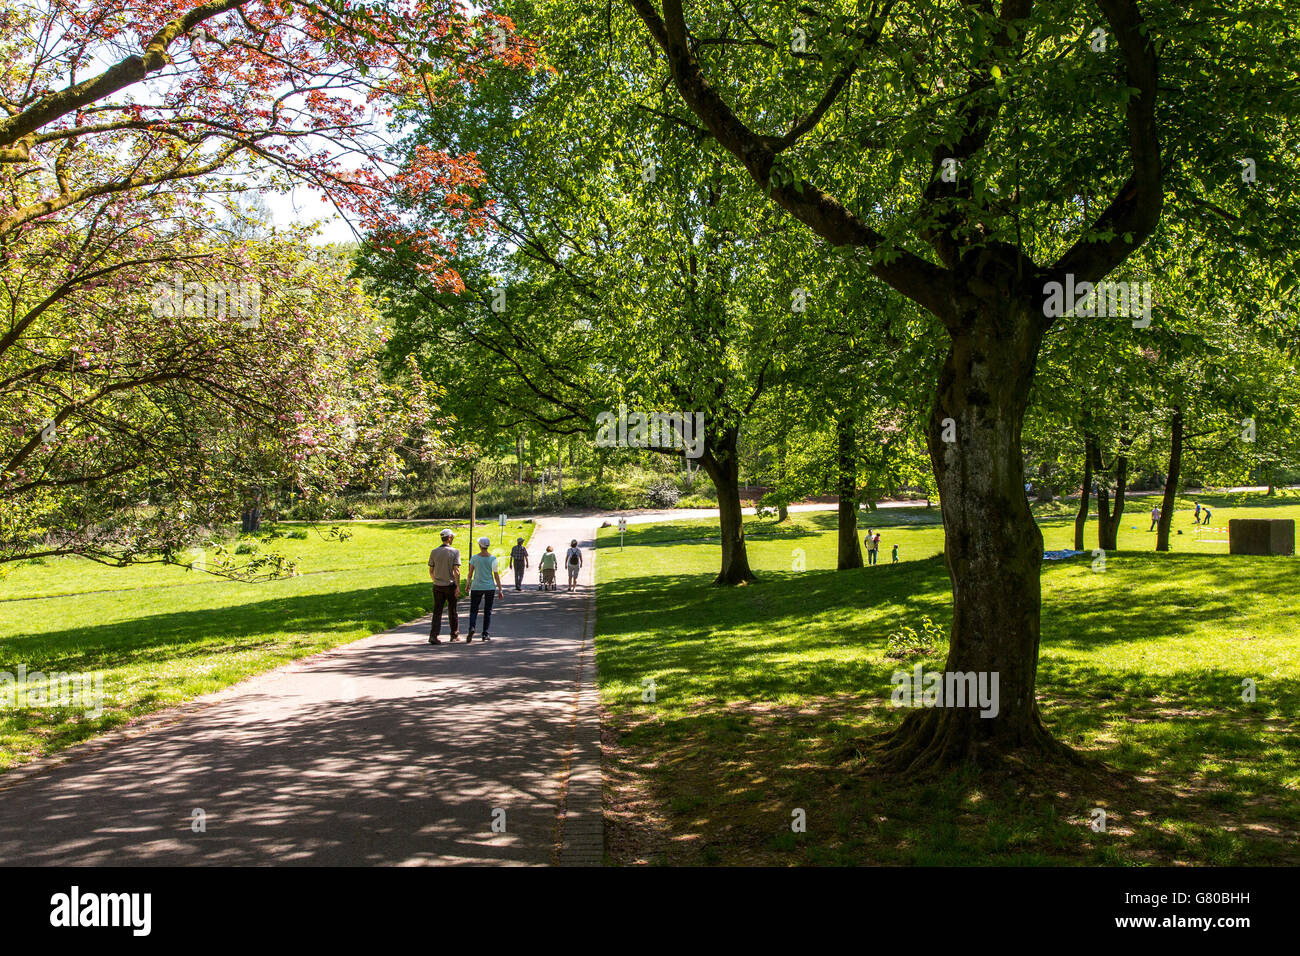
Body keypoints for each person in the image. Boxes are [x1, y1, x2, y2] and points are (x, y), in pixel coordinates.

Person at [465, 536, 504, 643]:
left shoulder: (474, 558)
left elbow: (470, 574)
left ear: (479, 546)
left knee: (474, 609)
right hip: (489, 587)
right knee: (488, 611)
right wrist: (500, 589)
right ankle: (485, 633)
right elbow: (496, 575)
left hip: (476, 586)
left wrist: (467, 585)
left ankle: (472, 628)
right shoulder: (493, 559)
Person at [428, 528, 461, 644]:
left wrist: (435, 580)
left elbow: (431, 570)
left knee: (437, 611)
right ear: (449, 538)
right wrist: (458, 586)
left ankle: (433, 635)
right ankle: (454, 634)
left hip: (437, 585)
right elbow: (456, 571)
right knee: (452, 611)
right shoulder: (454, 552)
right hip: (449, 585)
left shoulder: (434, 552)